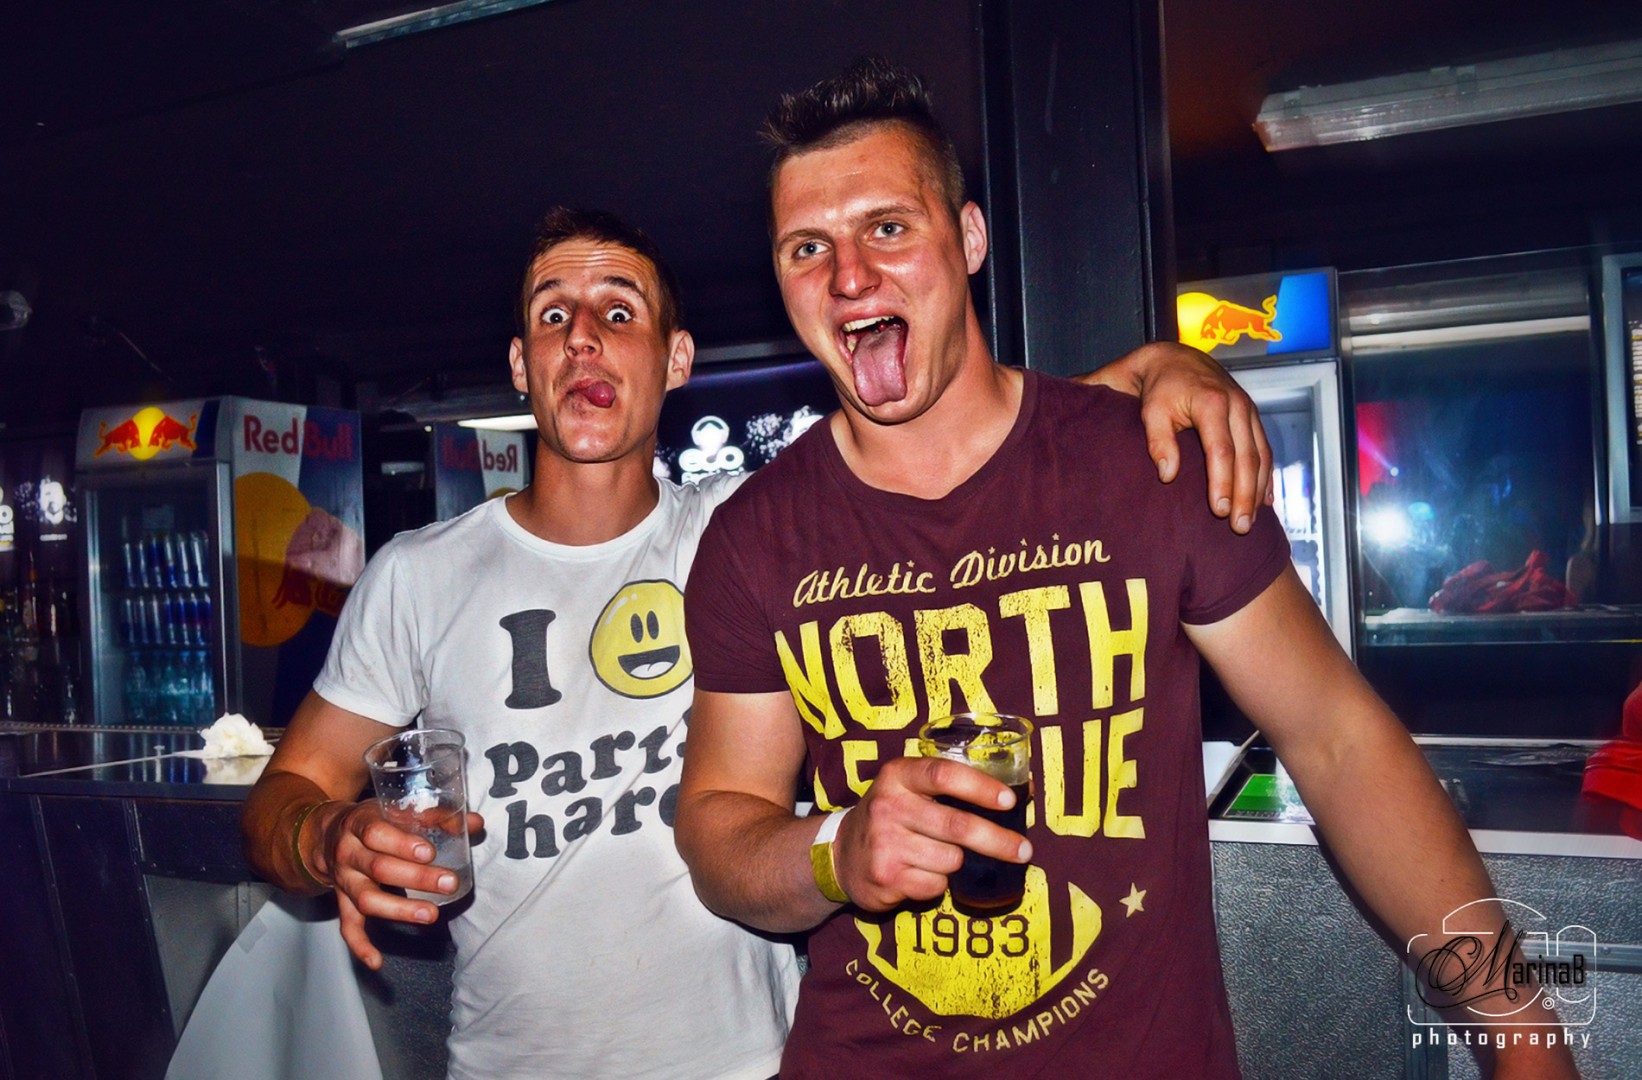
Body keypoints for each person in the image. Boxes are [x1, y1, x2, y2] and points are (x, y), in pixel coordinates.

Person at [673, 60, 1577, 1078]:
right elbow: (719, 829)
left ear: (968, 239)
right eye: (808, 247)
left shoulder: (1143, 460)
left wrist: (1520, 1029)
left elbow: (1337, 742)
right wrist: (837, 849)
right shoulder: (756, 538)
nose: (849, 276)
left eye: (887, 226)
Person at [240, 204, 1272, 1080]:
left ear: (677, 359)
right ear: (521, 363)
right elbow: (285, 796)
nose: (583, 338)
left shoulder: (750, 535)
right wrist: (327, 839)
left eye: (618, 312)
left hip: (745, 1063)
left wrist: (1155, 371)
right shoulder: (419, 576)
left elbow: (967, 442)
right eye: (554, 316)